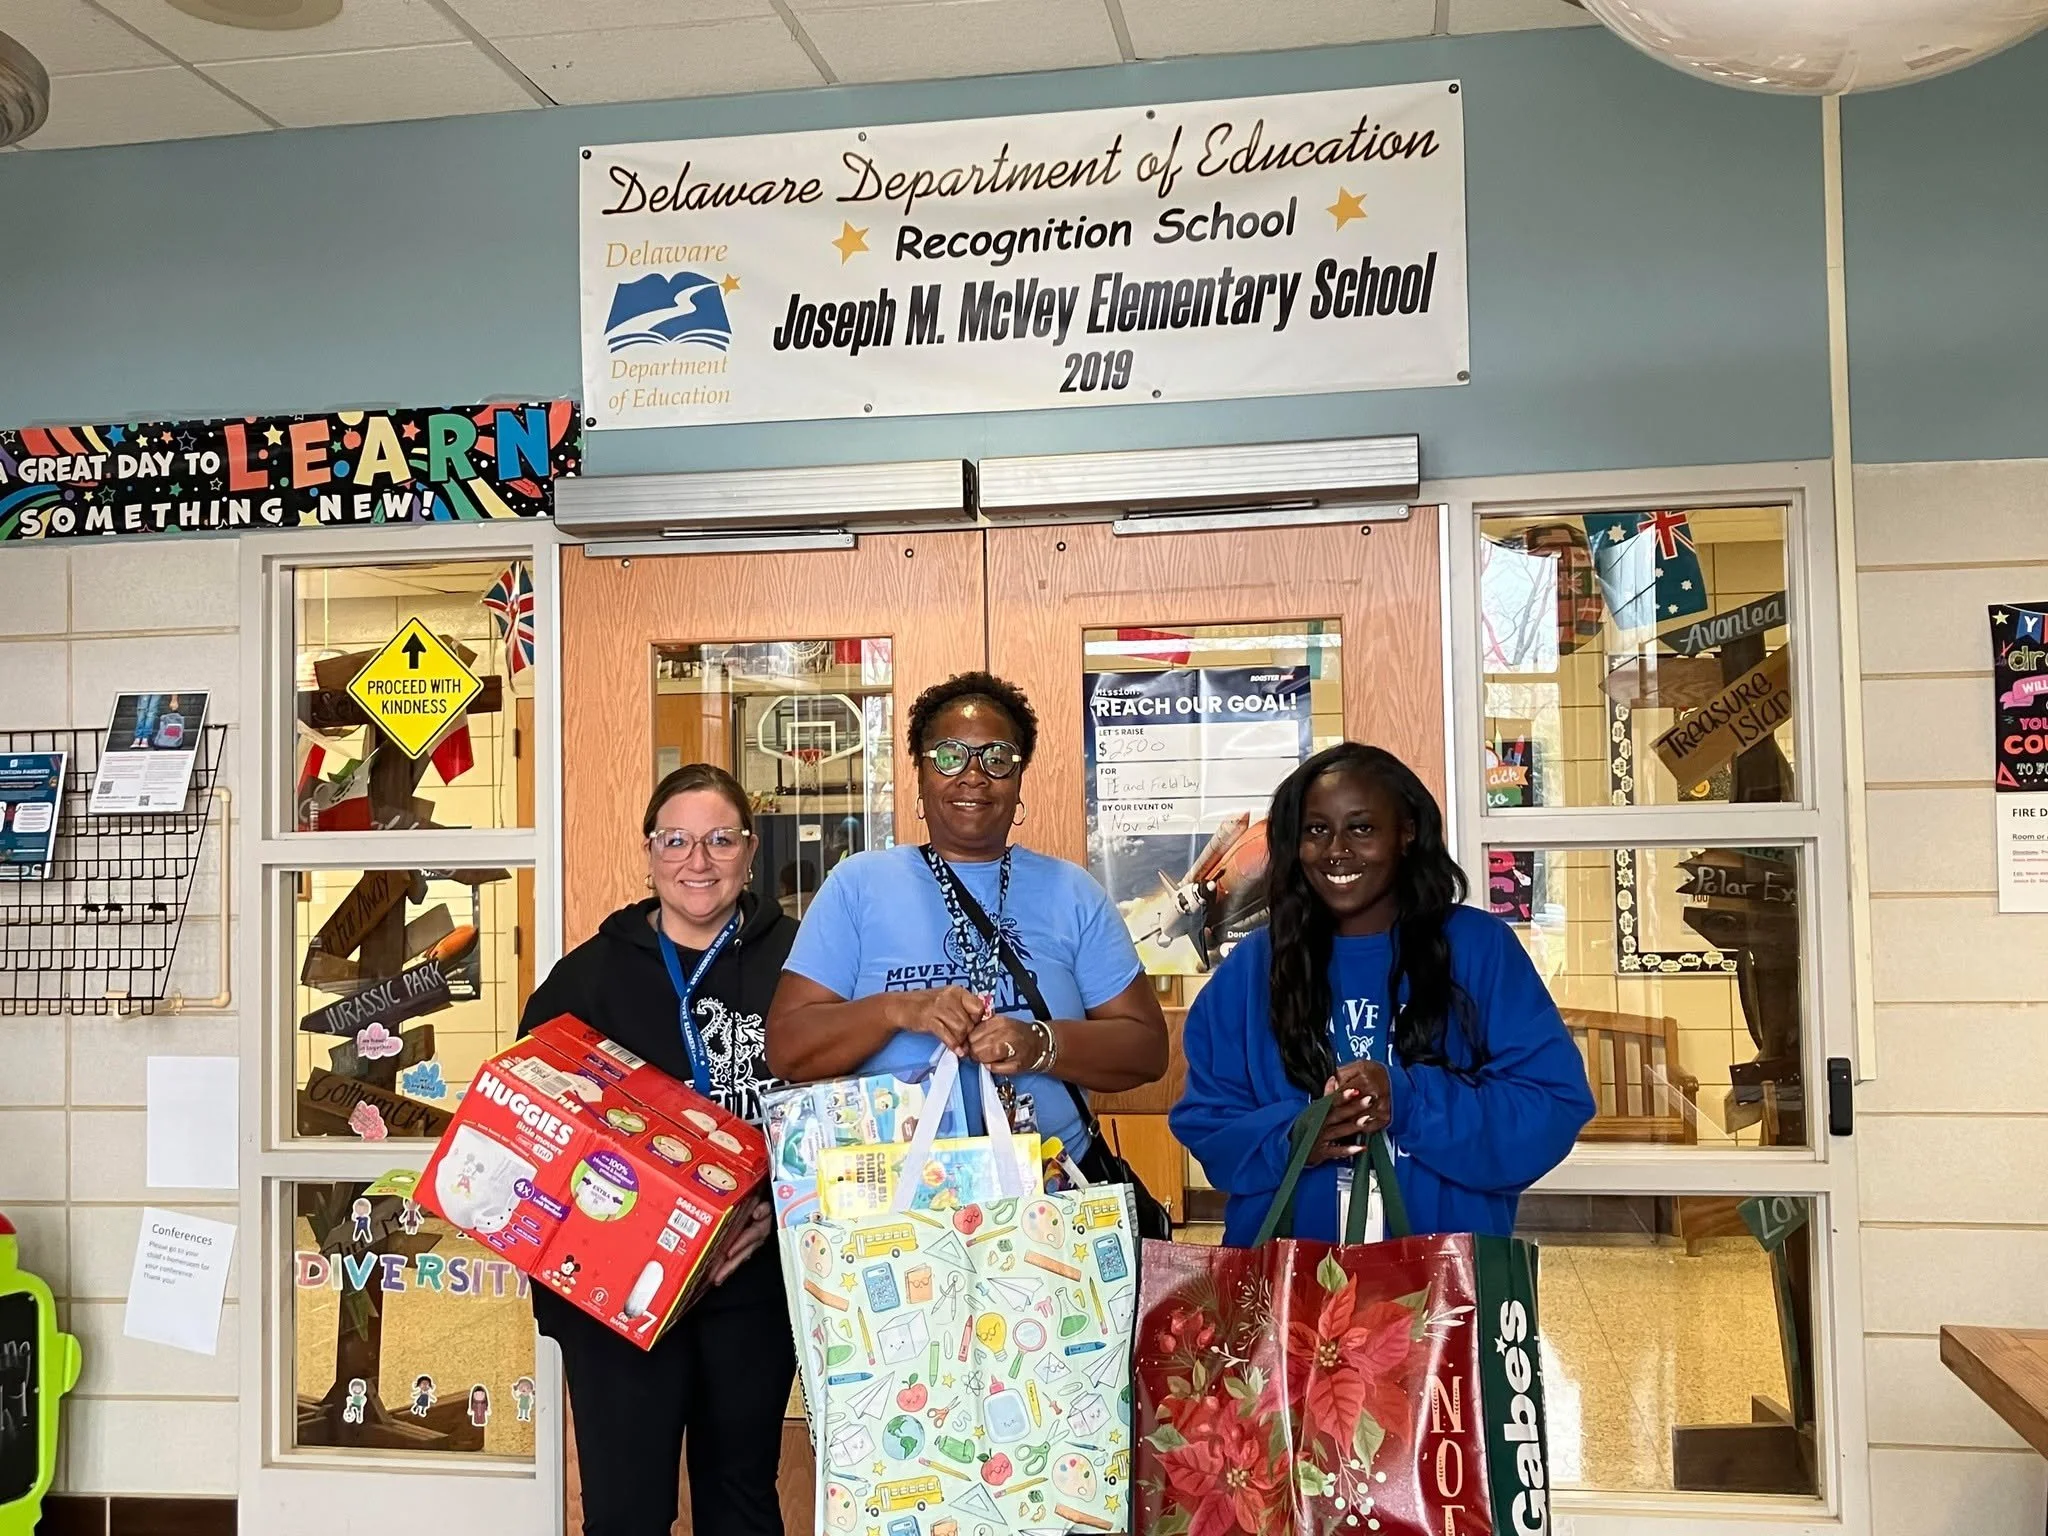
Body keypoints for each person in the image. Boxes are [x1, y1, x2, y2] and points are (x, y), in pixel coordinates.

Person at [520, 762, 796, 1536]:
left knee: (741, 1496)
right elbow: (533, 1132)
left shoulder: (802, 967)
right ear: (648, 852)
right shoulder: (586, 980)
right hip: (620, 1291)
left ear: (750, 851)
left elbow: (840, 1115)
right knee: (625, 1509)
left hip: (752, 1282)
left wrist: (771, 1209)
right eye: (675, 841)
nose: (696, 861)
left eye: (720, 840)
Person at [1171, 742, 1594, 1245]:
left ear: (1406, 833)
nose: (1336, 849)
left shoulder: (1479, 949)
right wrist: (1294, 1137)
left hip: (1443, 1277)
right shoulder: (1251, 968)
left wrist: (1409, 1102)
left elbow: (1552, 1105)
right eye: (1316, 830)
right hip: (1288, 1280)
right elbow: (1208, 1124)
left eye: (1362, 828)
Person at [768, 671, 1167, 1163]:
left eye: (996, 758)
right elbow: (787, 1050)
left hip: (1052, 1192)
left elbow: (1147, 1048)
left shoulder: (1072, 892)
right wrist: (897, 1011)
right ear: (920, 773)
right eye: (949, 756)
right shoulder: (857, 886)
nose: (973, 775)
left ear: (1018, 779)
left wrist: (1040, 1044)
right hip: (897, 1195)